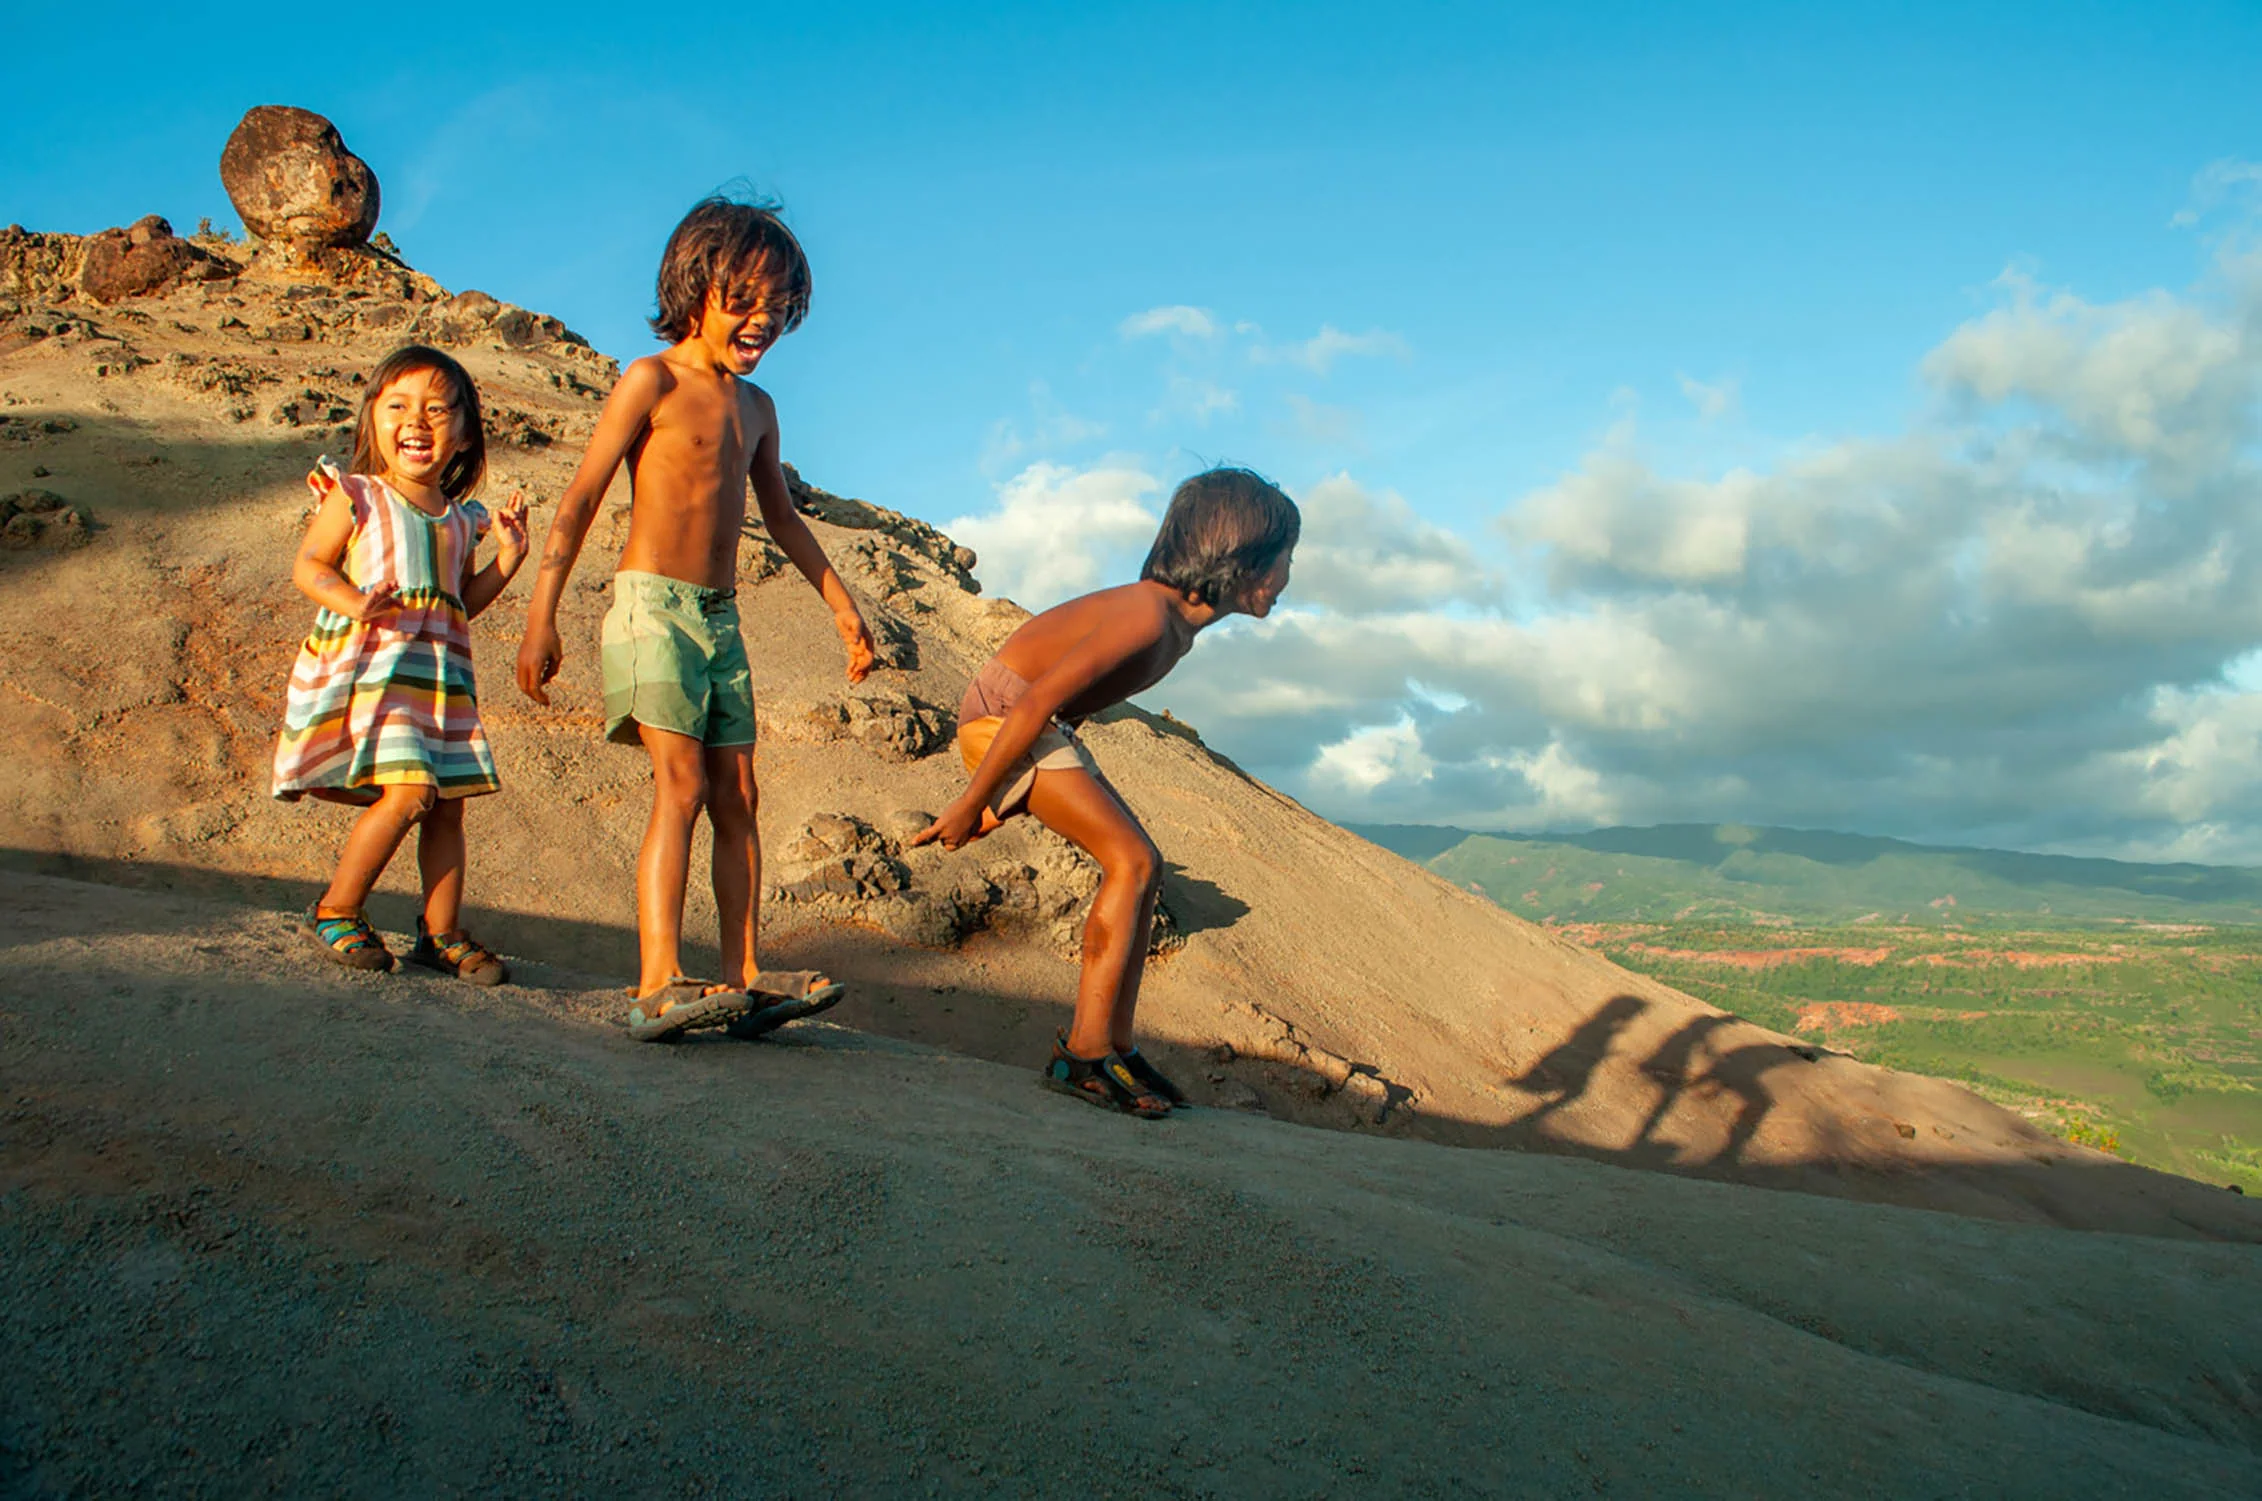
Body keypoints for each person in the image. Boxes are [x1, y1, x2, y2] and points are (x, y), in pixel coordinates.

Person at [515, 194, 877, 1043]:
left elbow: (781, 517)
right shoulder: (653, 380)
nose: (764, 321)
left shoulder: (757, 410)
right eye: (746, 299)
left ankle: (746, 973)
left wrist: (843, 607)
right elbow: (581, 496)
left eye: (781, 306)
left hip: (720, 618)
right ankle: (657, 979)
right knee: (678, 785)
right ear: (694, 284)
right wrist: (543, 615)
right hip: (651, 607)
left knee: (738, 792)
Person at [911, 468, 1299, 1116]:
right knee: (1134, 860)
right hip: (1008, 718)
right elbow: (1035, 698)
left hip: (1034, 727)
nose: (1289, 577)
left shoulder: (1172, 624)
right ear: (1243, 555)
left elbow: (1070, 704)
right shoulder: (1148, 616)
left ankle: (1114, 1044)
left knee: (1143, 866)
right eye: (1287, 558)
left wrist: (1009, 794)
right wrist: (974, 799)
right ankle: (1084, 1052)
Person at [274, 344, 528, 986]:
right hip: (379, 674)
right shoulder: (355, 494)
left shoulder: (462, 519)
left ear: (465, 431)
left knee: (447, 805)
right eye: (398, 406)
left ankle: (440, 933)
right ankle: (336, 907)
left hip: (440, 680)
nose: (417, 422)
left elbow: (460, 602)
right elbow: (310, 566)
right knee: (412, 792)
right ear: (373, 420)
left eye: (437, 410)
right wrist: (355, 601)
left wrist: (508, 558)